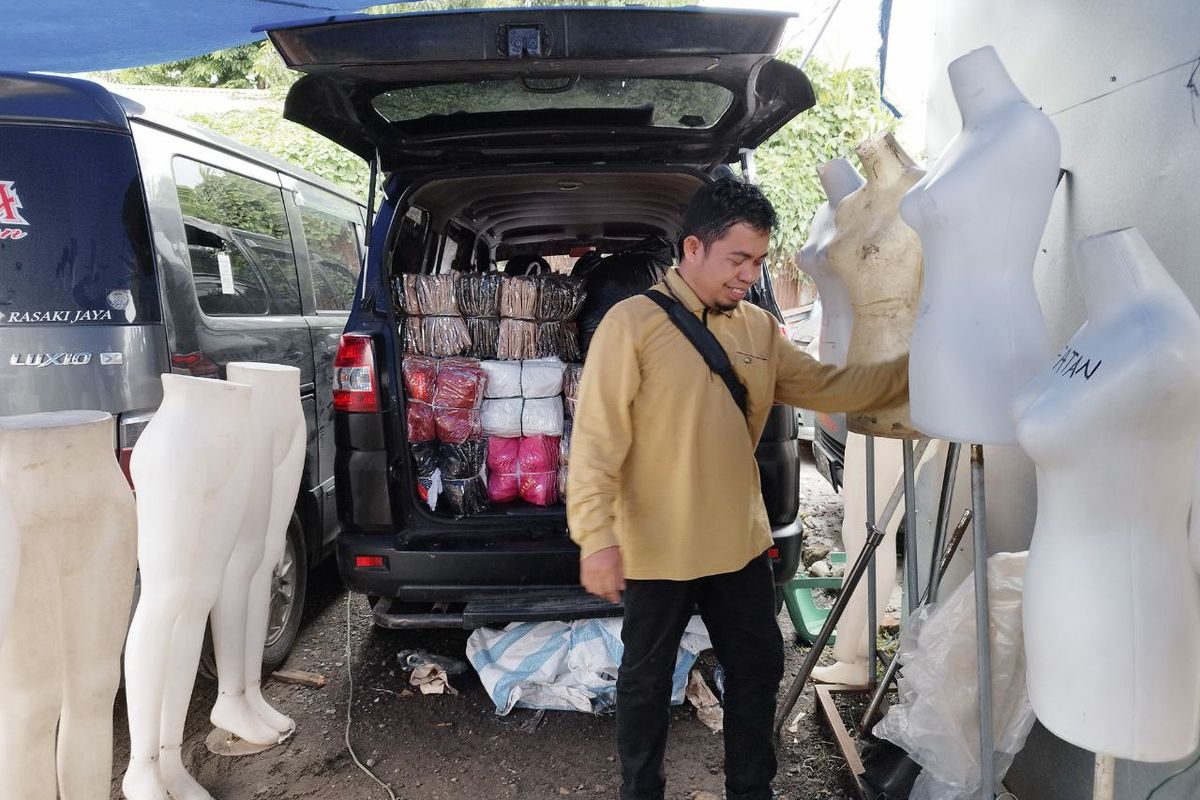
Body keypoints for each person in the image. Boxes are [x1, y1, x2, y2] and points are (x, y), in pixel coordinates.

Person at [566, 178, 909, 800]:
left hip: (739, 544)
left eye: (757, 260)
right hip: (656, 549)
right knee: (645, 683)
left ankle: (752, 791)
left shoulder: (757, 328)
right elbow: (595, 442)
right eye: (738, 259)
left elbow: (832, 387)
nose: (749, 274)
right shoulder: (631, 325)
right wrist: (596, 537)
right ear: (693, 248)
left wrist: (913, 373)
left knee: (756, 673)